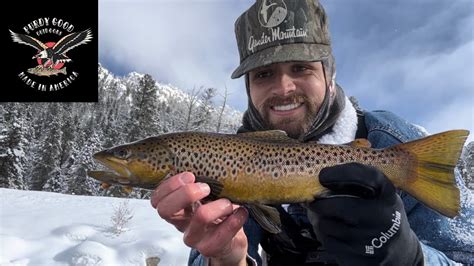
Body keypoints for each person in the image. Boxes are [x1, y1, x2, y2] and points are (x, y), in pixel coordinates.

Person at [150, 1, 474, 265]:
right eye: (264, 74)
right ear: (249, 89)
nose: (283, 88)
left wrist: (410, 258)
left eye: (301, 67)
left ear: (329, 74)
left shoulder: (394, 144)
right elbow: (214, 254)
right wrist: (224, 260)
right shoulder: (225, 157)